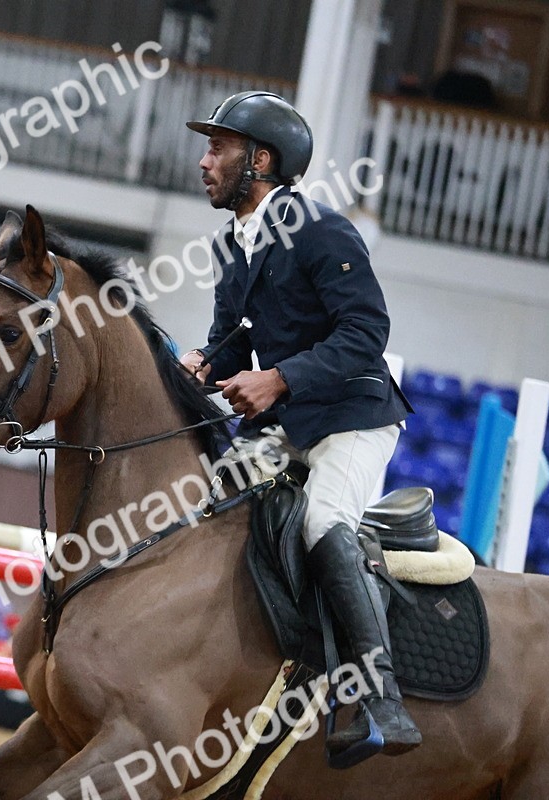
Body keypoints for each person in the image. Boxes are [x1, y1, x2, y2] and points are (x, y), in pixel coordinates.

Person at [180, 91, 421, 759]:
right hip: (292, 422)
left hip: (354, 416)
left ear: (260, 161)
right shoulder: (234, 243)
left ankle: (378, 698)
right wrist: (201, 361)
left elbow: (366, 333)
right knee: (210, 499)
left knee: (323, 522)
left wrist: (279, 378)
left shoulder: (321, 230)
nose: (204, 162)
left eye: (218, 148)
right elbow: (233, 338)